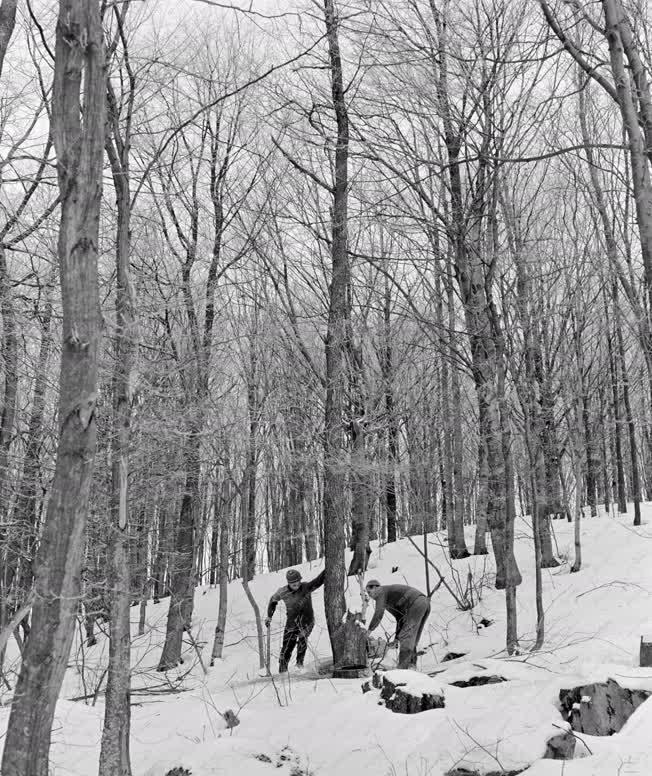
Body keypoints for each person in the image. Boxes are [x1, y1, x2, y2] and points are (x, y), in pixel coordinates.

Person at [266, 567, 325, 673]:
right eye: (293, 584)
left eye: (298, 582)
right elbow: (273, 600)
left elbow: (319, 580)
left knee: (302, 637)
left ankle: (299, 665)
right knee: (287, 646)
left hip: (307, 620)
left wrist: (328, 569)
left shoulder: (306, 587)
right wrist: (269, 616)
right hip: (292, 623)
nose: (296, 585)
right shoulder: (282, 592)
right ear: (288, 583)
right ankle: (282, 670)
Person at [365, 579, 430, 669]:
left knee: (406, 635)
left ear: (376, 587)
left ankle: (403, 668)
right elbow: (400, 618)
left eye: (369, 591)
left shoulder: (381, 592)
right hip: (423, 602)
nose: (369, 595)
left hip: (415, 603)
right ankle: (411, 665)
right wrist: (396, 638)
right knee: (412, 636)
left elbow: (378, 613)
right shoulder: (388, 596)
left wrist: (369, 630)